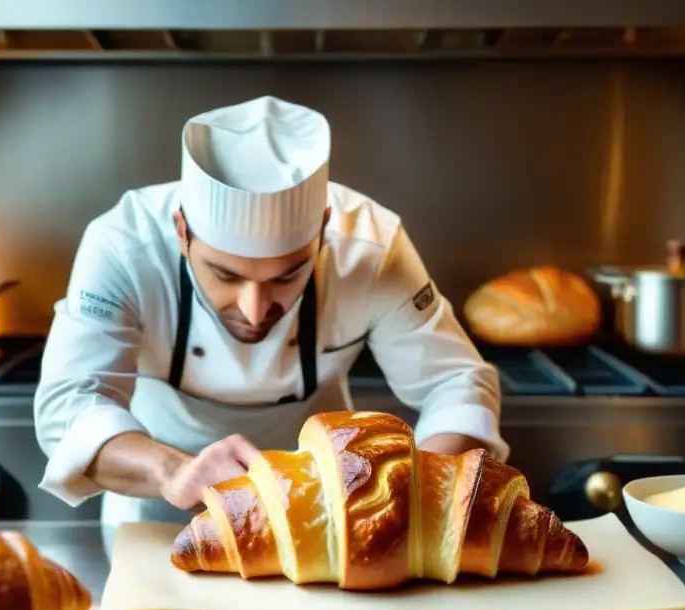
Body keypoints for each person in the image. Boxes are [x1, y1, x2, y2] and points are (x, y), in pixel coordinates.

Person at [34, 95, 508, 530]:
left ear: (322, 230)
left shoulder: (372, 250)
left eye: (286, 276)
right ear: (182, 232)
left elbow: (456, 383)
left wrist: (415, 495)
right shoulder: (123, 246)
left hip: (327, 503)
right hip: (155, 501)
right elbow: (70, 404)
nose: (255, 310)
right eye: (226, 275)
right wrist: (173, 471)